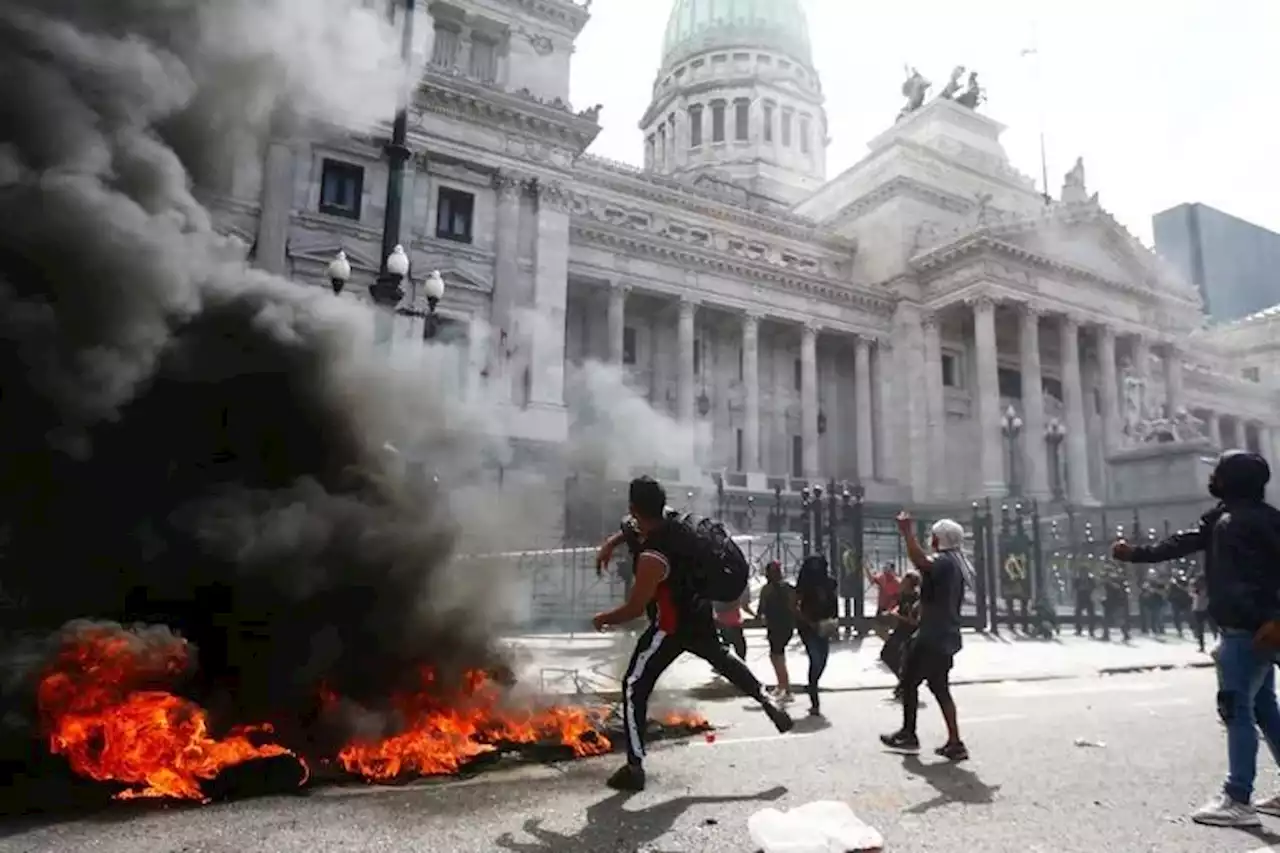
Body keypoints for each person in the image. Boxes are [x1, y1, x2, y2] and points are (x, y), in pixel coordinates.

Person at [1111, 451, 1280, 827]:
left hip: (1245, 630)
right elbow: (1178, 544)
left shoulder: (1234, 523)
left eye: (1218, 471)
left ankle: (1238, 799)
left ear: (1231, 479)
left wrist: (1275, 616)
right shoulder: (1241, 518)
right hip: (1257, 628)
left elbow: (1180, 546)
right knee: (1265, 707)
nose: (1211, 475)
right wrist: (1134, 554)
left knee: (1236, 710)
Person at [592, 476, 793, 791]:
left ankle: (634, 767)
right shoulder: (674, 523)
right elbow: (631, 529)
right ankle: (766, 699)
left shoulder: (652, 556)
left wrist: (603, 618)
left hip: (669, 627)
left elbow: (633, 609)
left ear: (634, 507)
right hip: (698, 614)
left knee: (633, 685)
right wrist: (610, 543)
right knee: (723, 658)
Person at [880, 512, 969, 761]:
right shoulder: (957, 564)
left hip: (932, 636)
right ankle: (955, 742)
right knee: (940, 688)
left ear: (939, 539)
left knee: (908, 682)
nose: (930, 540)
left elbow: (920, 561)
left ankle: (909, 734)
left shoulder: (944, 561)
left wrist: (907, 533)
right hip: (947, 636)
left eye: (933, 536)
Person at [795, 555, 838, 716]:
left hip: (824, 624)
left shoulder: (830, 583)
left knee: (823, 660)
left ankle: (813, 684)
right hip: (808, 627)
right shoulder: (803, 585)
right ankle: (814, 698)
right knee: (815, 658)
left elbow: (834, 604)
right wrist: (807, 621)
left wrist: (834, 624)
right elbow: (794, 606)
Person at [757, 560, 796, 701]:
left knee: (776, 657)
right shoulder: (789, 588)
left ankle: (785, 688)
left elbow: (760, 611)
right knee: (779, 655)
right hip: (787, 627)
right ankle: (783, 686)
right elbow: (795, 605)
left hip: (775, 627)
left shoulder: (766, 590)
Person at [881, 570, 921, 702]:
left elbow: (914, 621)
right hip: (900, 630)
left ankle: (905, 684)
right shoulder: (903, 595)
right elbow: (899, 607)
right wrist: (892, 611)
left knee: (902, 658)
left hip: (909, 632)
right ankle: (904, 682)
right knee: (886, 654)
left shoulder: (916, 599)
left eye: (904, 581)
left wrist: (896, 615)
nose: (901, 582)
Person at [713, 585, 753, 661]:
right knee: (740, 651)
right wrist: (756, 616)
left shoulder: (716, 588)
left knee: (726, 650)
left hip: (722, 623)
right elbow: (745, 606)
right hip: (734, 624)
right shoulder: (735, 588)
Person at [867, 562, 901, 639]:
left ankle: (893, 643)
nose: (885, 570)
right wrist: (867, 569)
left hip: (891, 609)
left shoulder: (897, 582)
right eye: (885, 568)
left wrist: (890, 610)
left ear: (892, 570)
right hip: (882, 607)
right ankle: (890, 642)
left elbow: (897, 598)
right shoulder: (882, 577)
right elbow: (872, 580)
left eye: (887, 569)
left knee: (893, 628)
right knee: (878, 628)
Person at [1191, 573, 1215, 653]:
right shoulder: (1206, 588)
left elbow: (1195, 595)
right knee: (1211, 627)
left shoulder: (1198, 589)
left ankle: (1202, 646)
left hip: (1200, 609)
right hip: (1204, 608)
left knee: (1201, 629)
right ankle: (1205, 645)